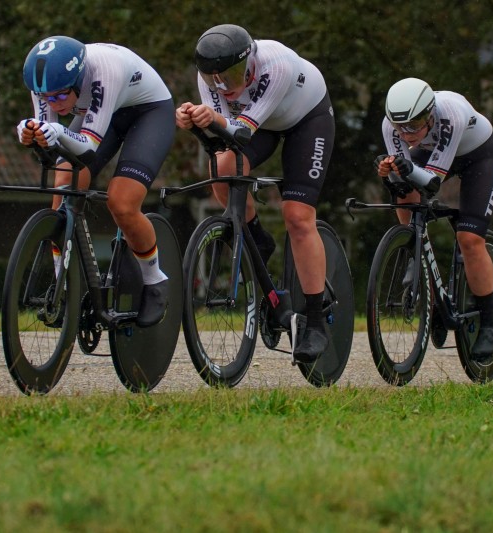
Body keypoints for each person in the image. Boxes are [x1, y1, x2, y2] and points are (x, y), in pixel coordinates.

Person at [175, 24, 335, 363]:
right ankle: (256, 237)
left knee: (298, 217)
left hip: (306, 119)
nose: (224, 86)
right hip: (264, 122)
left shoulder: (276, 65)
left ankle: (316, 321)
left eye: (233, 75)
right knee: (222, 168)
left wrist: (210, 120)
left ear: (250, 61)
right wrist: (195, 119)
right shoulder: (211, 76)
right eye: (215, 78)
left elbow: (242, 128)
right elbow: (221, 137)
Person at [17, 36, 175, 327]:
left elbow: (88, 145)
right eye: (46, 98)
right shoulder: (47, 85)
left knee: (122, 203)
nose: (54, 103)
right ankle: (63, 286)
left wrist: (57, 131)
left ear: (78, 79)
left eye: (61, 96)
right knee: (62, 187)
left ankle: (155, 280)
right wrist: (31, 134)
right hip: (101, 114)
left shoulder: (104, 71)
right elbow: (50, 141)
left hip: (148, 112)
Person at [376, 77, 493, 365]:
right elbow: (402, 181)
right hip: (435, 153)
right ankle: (415, 250)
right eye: (400, 127)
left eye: (414, 125)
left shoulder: (451, 115)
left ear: (430, 114)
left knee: (469, 240)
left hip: (478, 157)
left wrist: (405, 168)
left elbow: (432, 183)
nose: (406, 134)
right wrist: (388, 173)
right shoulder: (392, 125)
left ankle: (488, 322)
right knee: (404, 185)